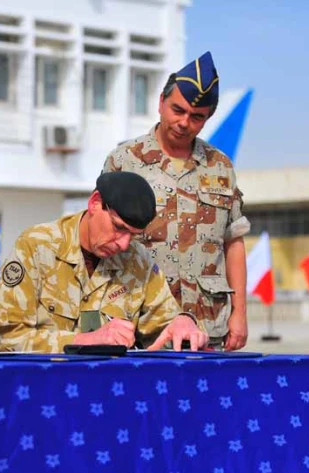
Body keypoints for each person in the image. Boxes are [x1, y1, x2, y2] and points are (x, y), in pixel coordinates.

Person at [103, 52, 250, 351]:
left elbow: (233, 242)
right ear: (160, 102)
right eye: (177, 110)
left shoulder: (220, 167)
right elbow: (100, 239)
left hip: (207, 326)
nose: (184, 123)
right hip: (142, 323)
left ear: (208, 118)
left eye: (196, 117)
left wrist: (240, 312)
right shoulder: (124, 161)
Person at [0, 172, 209, 353]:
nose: (123, 244)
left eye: (132, 235)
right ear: (95, 203)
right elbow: (4, 339)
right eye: (119, 227)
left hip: (108, 392)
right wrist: (84, 340)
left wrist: (182, 322)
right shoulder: (36, 247)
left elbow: (163, 329)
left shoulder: (137, 260)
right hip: (40, 388)